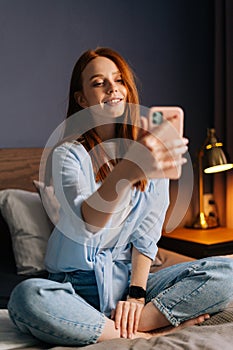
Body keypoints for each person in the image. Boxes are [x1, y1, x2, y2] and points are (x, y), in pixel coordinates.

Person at [8, 47, 233, 346]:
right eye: (99, 82)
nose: (112, 87)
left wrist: (137, 296)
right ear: (82, 99)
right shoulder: (67, 155)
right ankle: (142, 333)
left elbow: (145, 238)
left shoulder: (151, 155)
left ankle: (136, 322)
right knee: (26, 298)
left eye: (118, 80)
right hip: (72, 288)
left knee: (227, 271)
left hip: (126, 284)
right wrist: (127, 171)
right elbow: (88, 221)